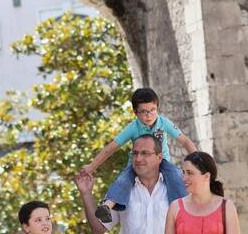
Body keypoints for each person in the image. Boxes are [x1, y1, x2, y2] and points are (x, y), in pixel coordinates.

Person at [79, 87, 197, 223]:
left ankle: (184, 210)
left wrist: (199, 162)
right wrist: (91, 167)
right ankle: (107, 206)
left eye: (152, 110)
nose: (149, 115)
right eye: (143, 112)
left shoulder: (164, 123)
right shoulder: (133, 128)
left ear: (157, 108)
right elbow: (110, 148)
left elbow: (185, 141)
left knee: (175, 176)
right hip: (137, 163)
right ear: (135, 113)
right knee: (124, 179)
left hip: (161, 161)